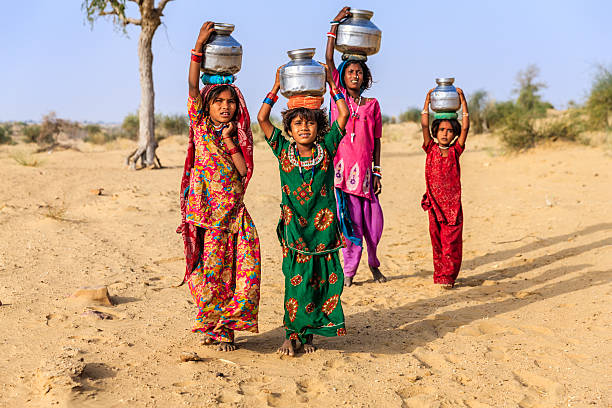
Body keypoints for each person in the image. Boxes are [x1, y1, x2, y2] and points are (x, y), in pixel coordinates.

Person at [177, 22, 261, 351]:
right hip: (206, 213)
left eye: (230, 102)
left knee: (241, 270)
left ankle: (226, 328)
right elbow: (192, 85)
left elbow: (242, 173)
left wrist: (230, 145)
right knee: (210, 270)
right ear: (208, 106)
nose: (225, 106)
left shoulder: (236, 135)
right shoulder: (198, 122)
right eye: (219, 102)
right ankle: (213, 325)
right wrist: (198, 47)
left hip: (233, 214)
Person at [257, 64, 349, 356]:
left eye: (309, 123)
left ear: (318, 126)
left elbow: (344, 115)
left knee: (321, 282)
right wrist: (275, 87)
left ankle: (308, 335)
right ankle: (290, 334)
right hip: (295, 230)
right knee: (294, 282)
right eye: (297, 124)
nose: (304, 128)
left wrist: (331, 83)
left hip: (323, 232)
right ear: (289, 129)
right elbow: (261, 118)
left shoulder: (328, 147)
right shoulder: (283, 150)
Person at [326, 6, 386, 287]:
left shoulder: (372, 106)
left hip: (364, 176)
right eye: (350, 71)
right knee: (349, 226)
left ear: (365, 76)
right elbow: (327, 62)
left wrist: (376, 171)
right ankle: (349, 272)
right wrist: (334, 25)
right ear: (343, 75)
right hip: (341, 176)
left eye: (359, 72)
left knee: (373, 225)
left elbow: (376, 142)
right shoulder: (338, 100)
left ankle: (373, 263)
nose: (354, 76)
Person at [420, 87, 470, 289]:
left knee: (451, 241)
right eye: (441, 130)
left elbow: (465, 128)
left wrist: (463, 101)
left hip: (452, 206)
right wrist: (426, 102)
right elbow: (424, 124)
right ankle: (440, 275)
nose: (445, 133)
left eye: (449, 131)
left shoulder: (455, 151)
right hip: (434, 204)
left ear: (453, 134)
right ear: (435, 131)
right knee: (437, 240)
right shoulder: (430, 148)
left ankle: (449, 277)